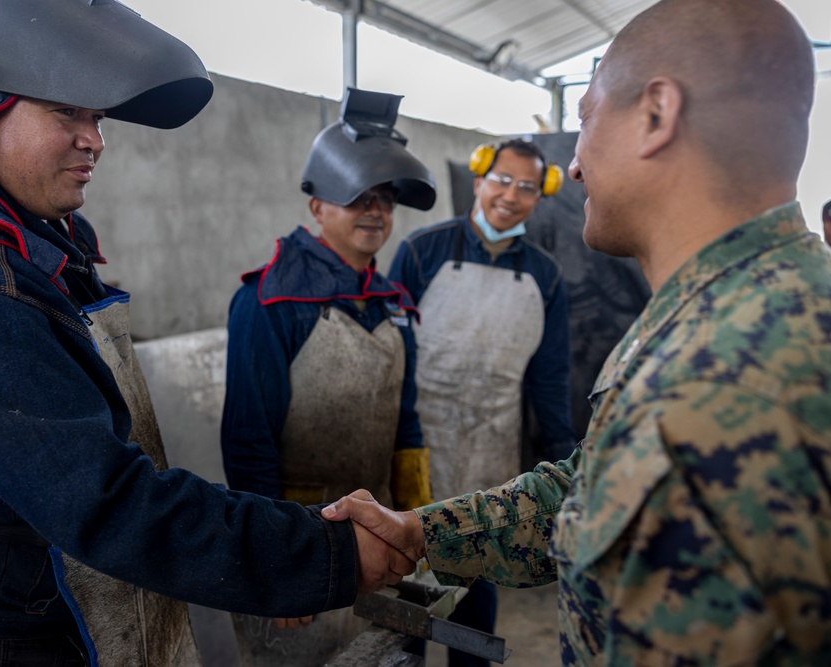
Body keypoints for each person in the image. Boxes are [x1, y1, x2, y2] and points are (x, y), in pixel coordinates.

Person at [0, 2, 414, 666]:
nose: (95, 139)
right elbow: (110, 502)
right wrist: (321, 555)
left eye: (98, 117)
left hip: (29, 598)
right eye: (68, 111)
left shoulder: (22, 244)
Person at [323, 0, 831, 663]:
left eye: (586, 118)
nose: (581, 166)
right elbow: (588, 488)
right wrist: (420, 529)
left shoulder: (724, 374)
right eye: (501, 180)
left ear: (655, 115)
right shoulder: (718, 315)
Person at [220, 87, 436, 667]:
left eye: (386, 199)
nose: (375, 211)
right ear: (317, 207)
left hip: (382, 539)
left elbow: (406, 424)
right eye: (357, 197)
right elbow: (248, 441)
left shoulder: (394, 302)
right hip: (301, 542)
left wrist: (418, 526)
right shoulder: (270, 300)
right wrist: (276, 566)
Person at [387, 137, 575, 666]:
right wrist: (396, 445)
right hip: (419, 450)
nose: (510, 196)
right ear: (478, 182)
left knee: (476, 588)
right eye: (501, 180)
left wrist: (567, 472)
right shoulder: (422, 251)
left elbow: (549, 381)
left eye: (527, 188)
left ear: (541, 197)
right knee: (405, 598)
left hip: (490, 454)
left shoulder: (546, 275)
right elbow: (391, 360)